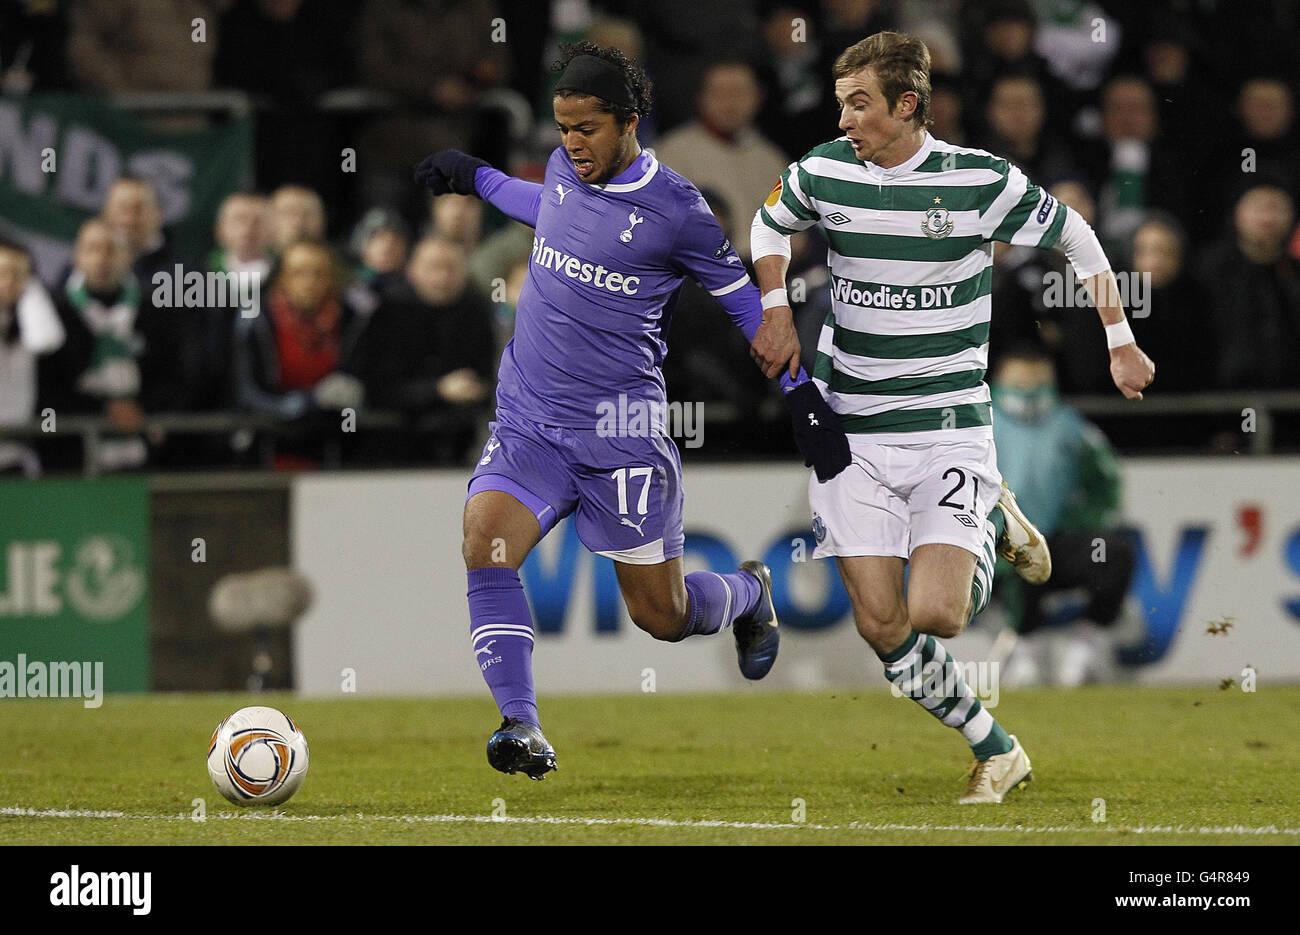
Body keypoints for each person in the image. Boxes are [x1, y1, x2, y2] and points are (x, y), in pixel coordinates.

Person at [414, 41, 849, 780]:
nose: (571, 143)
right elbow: (544, 207)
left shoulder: (678, 209)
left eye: (587, 128)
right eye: (562, 127)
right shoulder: (560, 170)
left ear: (629, 122)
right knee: (484, 541)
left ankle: (749, 592)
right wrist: (477, 176)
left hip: (622, 438)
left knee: (661, 615)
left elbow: (743, 301)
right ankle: (522, 723)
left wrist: (799, 396)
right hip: (530, 425)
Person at [750, 31, 1155, 803]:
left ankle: (993, 524)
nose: (844, 121)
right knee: (879, 624)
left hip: (946, 424)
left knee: (935, 613)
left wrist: (1120, 339)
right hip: (848, 429)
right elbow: (768, 225)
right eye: (839, 104)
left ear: (907, 105)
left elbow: (1077, 233)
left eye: (859, 104)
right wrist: (775, 307)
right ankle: (994, 747)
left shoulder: (978, 180)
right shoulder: (824, 171)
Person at [990, 343, 1135, 687]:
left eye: (1035, 381)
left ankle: (1085, 644)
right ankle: (1023, 644)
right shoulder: (979, 425)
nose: (1028, 390)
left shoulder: (1071, 427)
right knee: (1020, 557)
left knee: (1114, 554)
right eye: (1020, 381)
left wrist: (1081, 520)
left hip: (1057, 538)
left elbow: (1107, 483)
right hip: (998, 541)